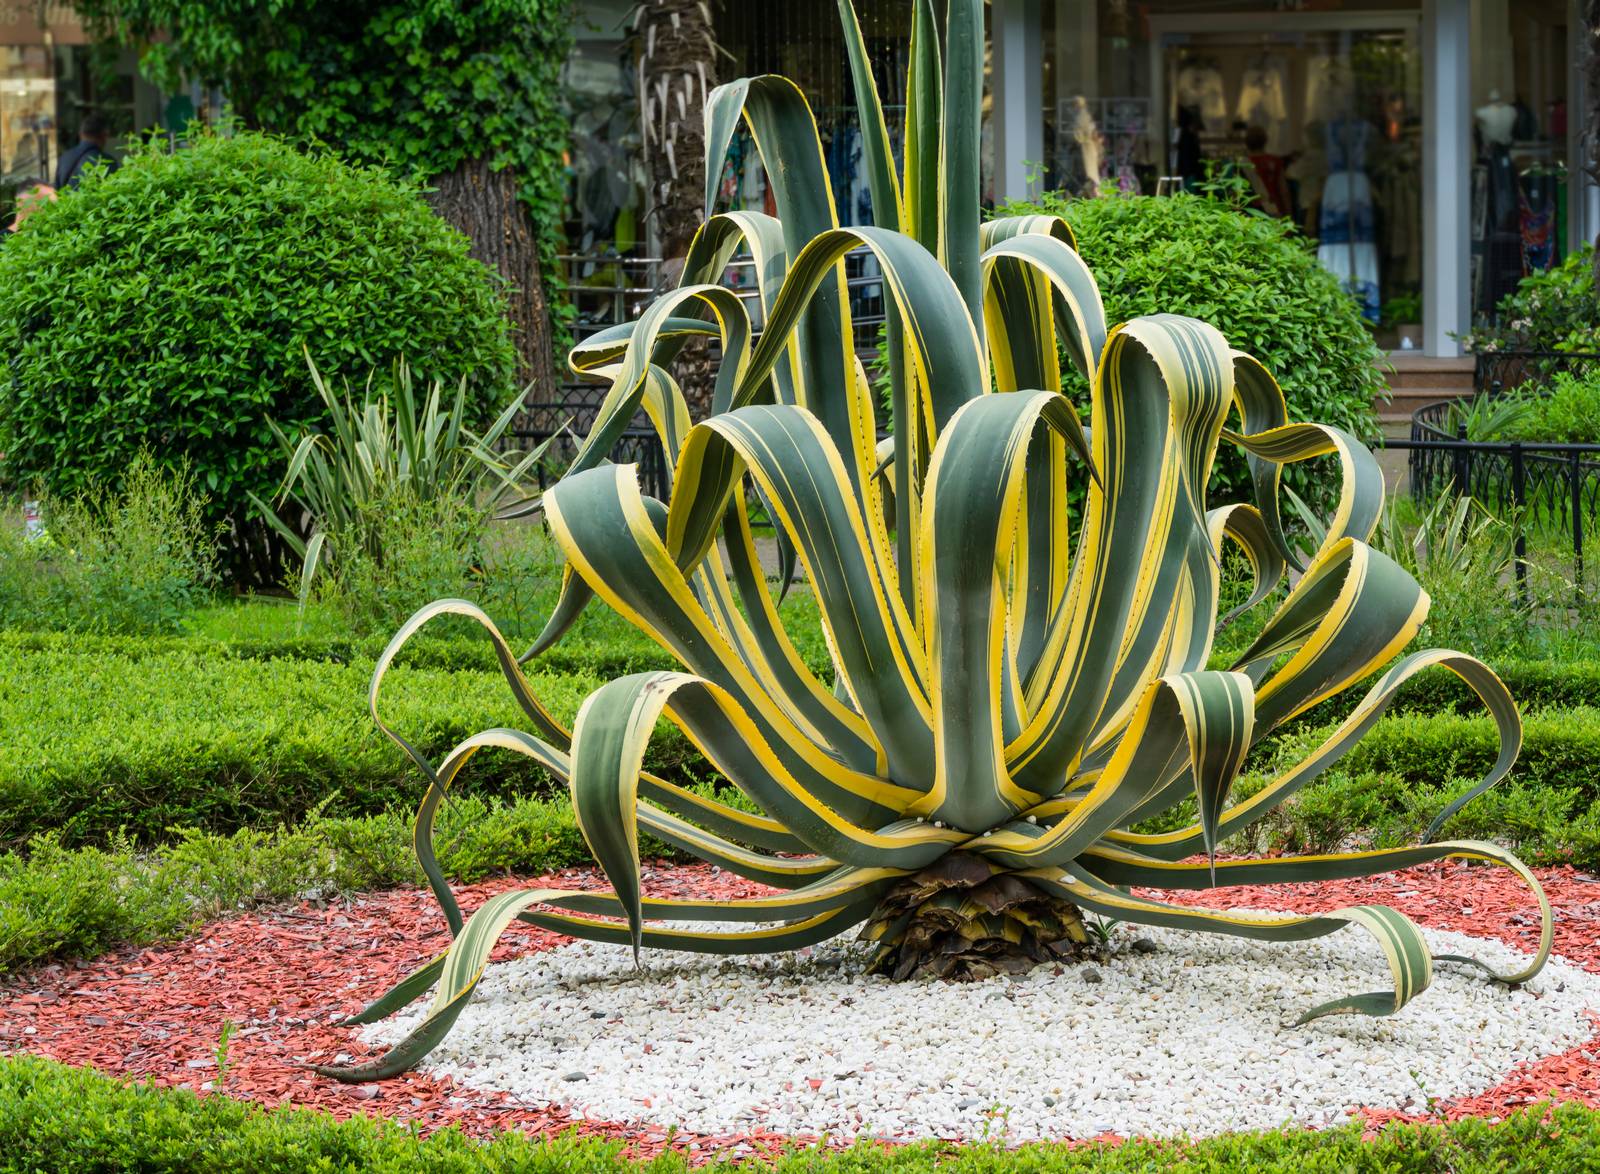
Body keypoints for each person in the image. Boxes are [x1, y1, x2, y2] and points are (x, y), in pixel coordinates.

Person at [54, 113, 119, 190]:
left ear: (80, 134)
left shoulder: (64, 157)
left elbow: (56, 192)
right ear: (104, 135)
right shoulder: (108, 161)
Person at [1243, 125, 1293, 219]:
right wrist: (1289, 215)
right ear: (1265, 141)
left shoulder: (1242, 164)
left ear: (1246, 142)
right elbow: (1284, 190)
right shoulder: (1275, 161)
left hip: (1252, 211)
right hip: (1274, 207)